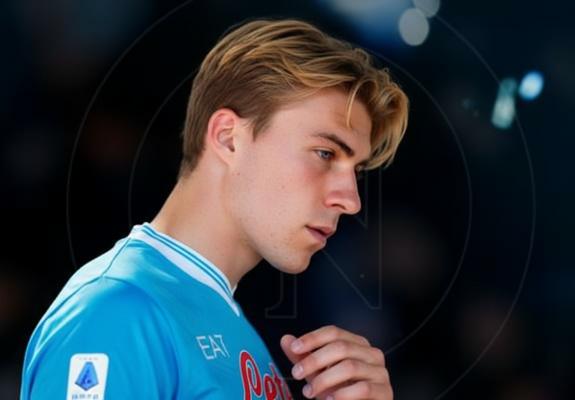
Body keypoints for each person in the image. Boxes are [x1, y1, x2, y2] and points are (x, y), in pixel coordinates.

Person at [20, 17, 409, 399]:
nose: (351, 199)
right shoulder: (118, 311)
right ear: (228, 138)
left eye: (356, 170)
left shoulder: (232, 330)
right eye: (325, 153)